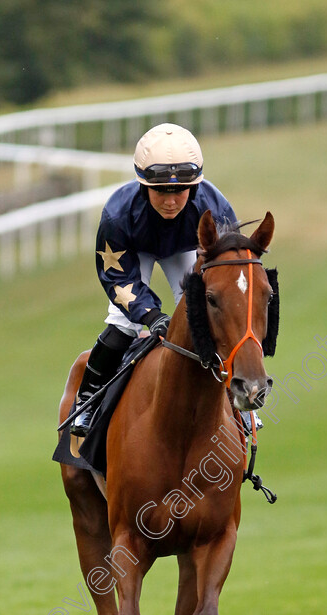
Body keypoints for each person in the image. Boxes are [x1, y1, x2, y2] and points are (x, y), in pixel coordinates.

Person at [70, 122, 239, 437]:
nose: (171, 201)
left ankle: (235, 400)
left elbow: (228, 270)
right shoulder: (118, 217)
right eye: (161, 191)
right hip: (136, 250)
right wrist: (151, 316)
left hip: (187, 248)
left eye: (180, 191)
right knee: (123, 325)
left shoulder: (214, 209)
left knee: (206, 317)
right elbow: (117, 276)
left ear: (195, 186)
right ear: (143, 184)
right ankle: (88, 401)